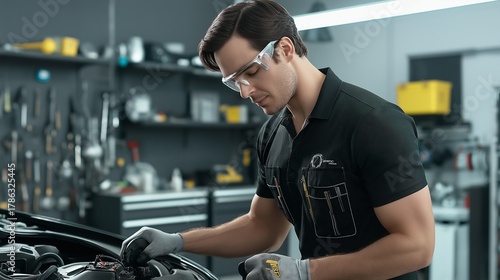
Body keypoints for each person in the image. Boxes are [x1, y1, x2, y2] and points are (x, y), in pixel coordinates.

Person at [120, 1, 435, 279]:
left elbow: (417, 246)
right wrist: (178, 240)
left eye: (252, 72)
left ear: (285, 49)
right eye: (234, 83)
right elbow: (263, 227)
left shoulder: (373, 122)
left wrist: (305, 272)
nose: (245, 92)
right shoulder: (272, 135)